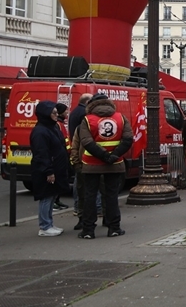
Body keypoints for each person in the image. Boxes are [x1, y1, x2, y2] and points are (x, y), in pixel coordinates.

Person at [76, 93, 133, 239]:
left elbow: (87, 142)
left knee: (90, 196)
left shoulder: (87, 120)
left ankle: (88, 230)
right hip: (115, 163)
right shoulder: (121, 118)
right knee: (112, 196)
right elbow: (128, 139)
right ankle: (114, 227)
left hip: (91, 163)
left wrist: (102, 155)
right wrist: (113, 155)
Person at [29, 101, 69, 236]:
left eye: (56, 113)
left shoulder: (52, 127)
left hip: (55, 167)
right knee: (46, 197)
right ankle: (45, 226)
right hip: (46, 169)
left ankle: (49, 223)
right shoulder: (41, 131)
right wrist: (48, 171)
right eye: (53, 113)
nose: (56, 115)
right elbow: (42, 153)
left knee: (52, 196)